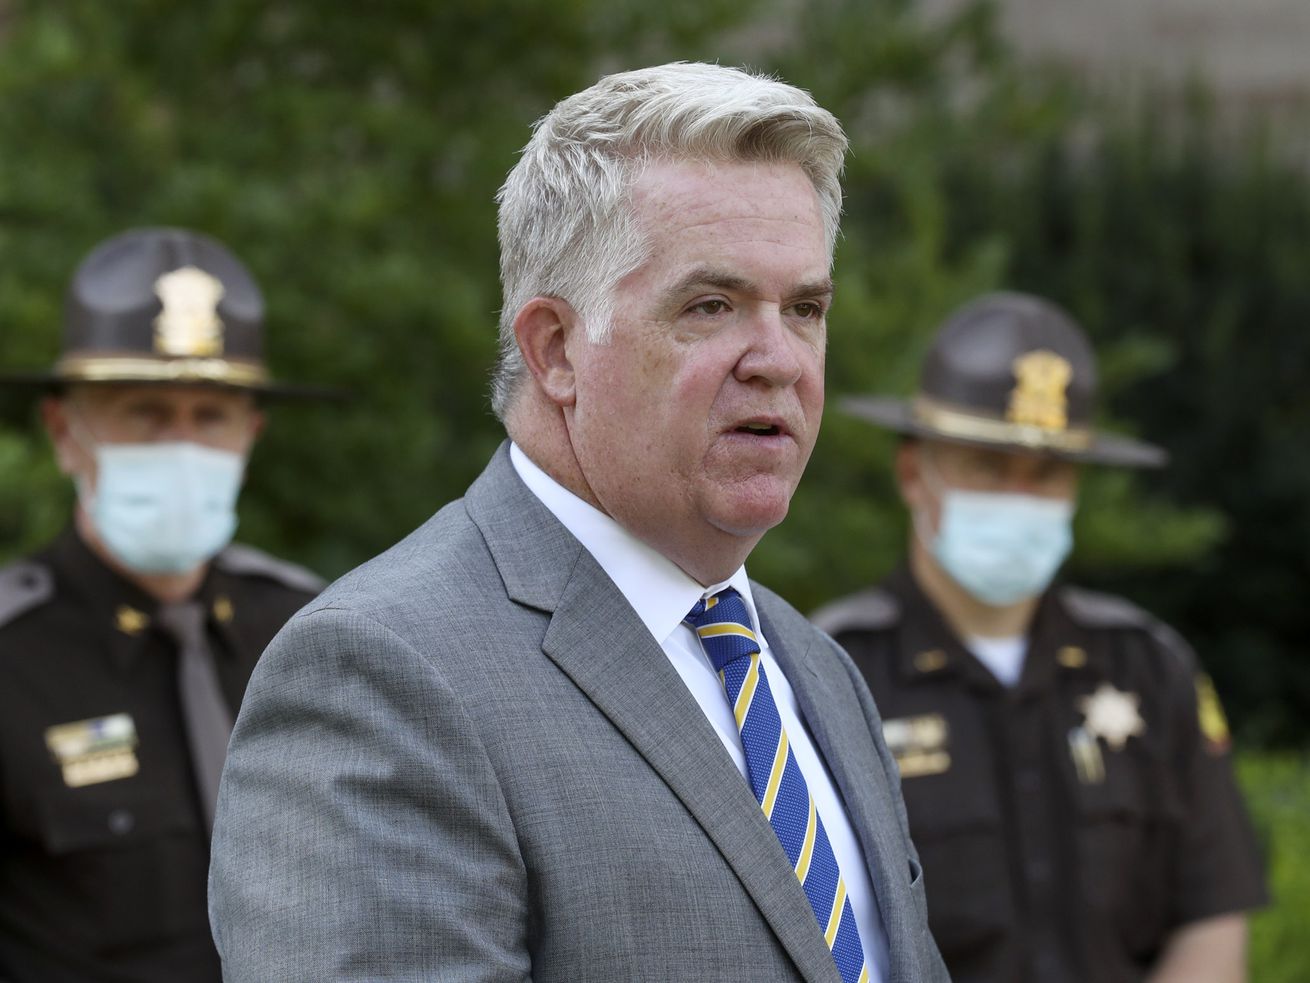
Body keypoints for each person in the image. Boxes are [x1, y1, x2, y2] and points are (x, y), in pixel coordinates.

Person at [207, 63, 949, 983]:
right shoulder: (383, 673)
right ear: (555, 349)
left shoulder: (815, 668)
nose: (779, 360)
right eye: (710, 306)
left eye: (805, 309)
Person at [813, 291, 1268, 983]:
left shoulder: (1150, 666)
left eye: (1048, 473)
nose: (1021, 496)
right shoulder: (830, 675)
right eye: (989, 467)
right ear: (914, 472)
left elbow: (1210, 915)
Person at [0, 227, 327, 982]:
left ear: (251, 434)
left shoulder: (311, 633)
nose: (181, 443)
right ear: (64, 432)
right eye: (145, 411)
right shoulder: (12, 660)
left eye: (210, 416)